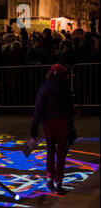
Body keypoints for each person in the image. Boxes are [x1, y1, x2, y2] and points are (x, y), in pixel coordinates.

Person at [29, 64, 76, 195]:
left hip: (49, 123)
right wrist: (71, 127)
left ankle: (50, 177)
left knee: (50, 150)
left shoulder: (45, 88)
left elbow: (39, 108)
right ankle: (58, 182)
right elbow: (70, 109)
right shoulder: (66, 88)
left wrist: (34, 125)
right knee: (61, 153)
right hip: (63, 122)